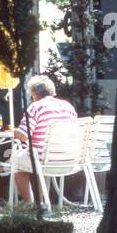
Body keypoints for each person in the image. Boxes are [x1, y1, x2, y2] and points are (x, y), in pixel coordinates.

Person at [9, 74, 78, 204]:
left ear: (35, 92)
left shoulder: (35, 107)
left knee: (16, 160)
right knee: (32, 156)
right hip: (70, 158)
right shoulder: (68, 107)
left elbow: (23, 135)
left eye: (31, 94)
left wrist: (14, 132)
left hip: (44, 160)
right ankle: (39, 202)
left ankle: (30, 204)